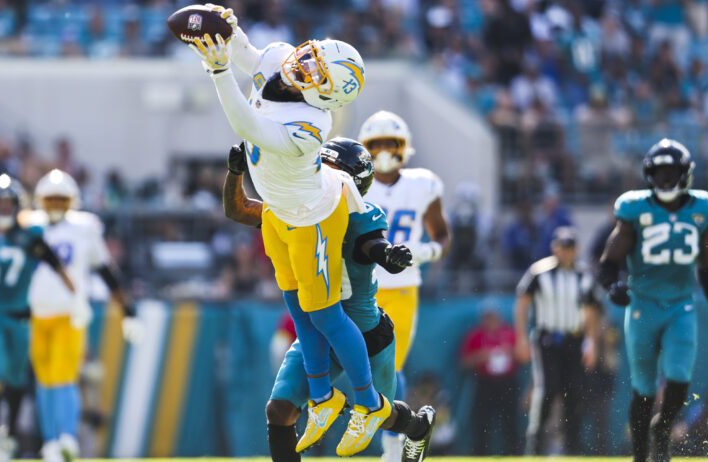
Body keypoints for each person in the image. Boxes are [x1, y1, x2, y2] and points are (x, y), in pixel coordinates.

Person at [187, 4, 388, 455]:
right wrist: (230, 31)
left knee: (326, 315)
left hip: (311, 217)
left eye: (318, 70)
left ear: (326, 95)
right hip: (278, 211)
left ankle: (369, 402)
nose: (305, 62)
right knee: (299, 312)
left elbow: (246, 124)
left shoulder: (312, 124)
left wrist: (218, 72)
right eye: (313, 53)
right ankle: (321, 397)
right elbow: (250, 56)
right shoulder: (282, 57)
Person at [223, 138, 437, 462]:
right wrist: (235, 172)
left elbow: (373, 245)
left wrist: (389, 254)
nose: (319, 175)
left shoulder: (359, 214)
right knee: (279, 409)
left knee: (379, 412)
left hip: (365, 333)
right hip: (318, 330)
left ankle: (418, 427)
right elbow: (237, 209)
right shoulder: (294, 207)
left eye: (330, 169)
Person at [598, 138, 708, 462]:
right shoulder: (635, 209)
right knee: (644, 389)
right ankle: (640, 456)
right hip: (642, 305)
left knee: (679, 377)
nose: (665, 179)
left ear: (685, 174)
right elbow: (608, 261)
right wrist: (612, 285)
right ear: (649, 175)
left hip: (681, 305)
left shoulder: (701, 210)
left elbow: (707, 268)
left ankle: (662, 431)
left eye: (671, 172)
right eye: (660, 172)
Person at [28, 169, 144, 462]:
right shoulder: (28, 225)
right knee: (44, 380)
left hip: (70, 312)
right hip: (35, 314)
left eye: (60, 199)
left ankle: (66, 437)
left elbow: (105, 270)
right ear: (40, 200)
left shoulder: (84, 227)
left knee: (65, 377)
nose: (55, 205)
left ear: (71, 201)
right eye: (50, 199)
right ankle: (50, 442)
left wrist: (127, 310)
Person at [0, 174, 75, 460]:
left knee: (16, 379)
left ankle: (8, 436)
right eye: (0, 203)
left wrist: (75, 295)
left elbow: (54, 263)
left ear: (18, 205)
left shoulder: (29, 233)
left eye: (9, 203)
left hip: (21, 315)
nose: (4, 209)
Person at [359, 110, 451, 462]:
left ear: (403, 146)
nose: (384, 150)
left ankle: (393, 446)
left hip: (401, 287)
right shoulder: (352, 184)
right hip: (359, 286)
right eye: (377, 143)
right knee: (351, 368)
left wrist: (428, 251)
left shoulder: (422, 184)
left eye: (390, 142)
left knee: (390, 368)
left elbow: (442, 235)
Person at [513, 226, 599, 455]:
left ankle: (573, 447)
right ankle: (536, 445)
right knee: (548, 389)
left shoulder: (583, 275)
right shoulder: (539, 272)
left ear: (576, 249)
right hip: (547, 339)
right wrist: (521, 337)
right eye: (562, 247)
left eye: (569, 247)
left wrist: (591, 341)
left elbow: (590, 309)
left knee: (574, 392)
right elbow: (522, 303)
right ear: (554, 248)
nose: (566, 251)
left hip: (574, 338)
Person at [459, 307, 520, 455]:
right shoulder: (475, 336)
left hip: (507, 382)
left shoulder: (510, 333)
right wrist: (481, 356)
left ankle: (513, 452)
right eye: (488, 318)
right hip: (485, 382)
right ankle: (480, 453)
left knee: (510, 420)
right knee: (482, 419)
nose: (491, 322)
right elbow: (464, 363)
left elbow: (523, 356)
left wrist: (510, 352)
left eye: (494, 318)